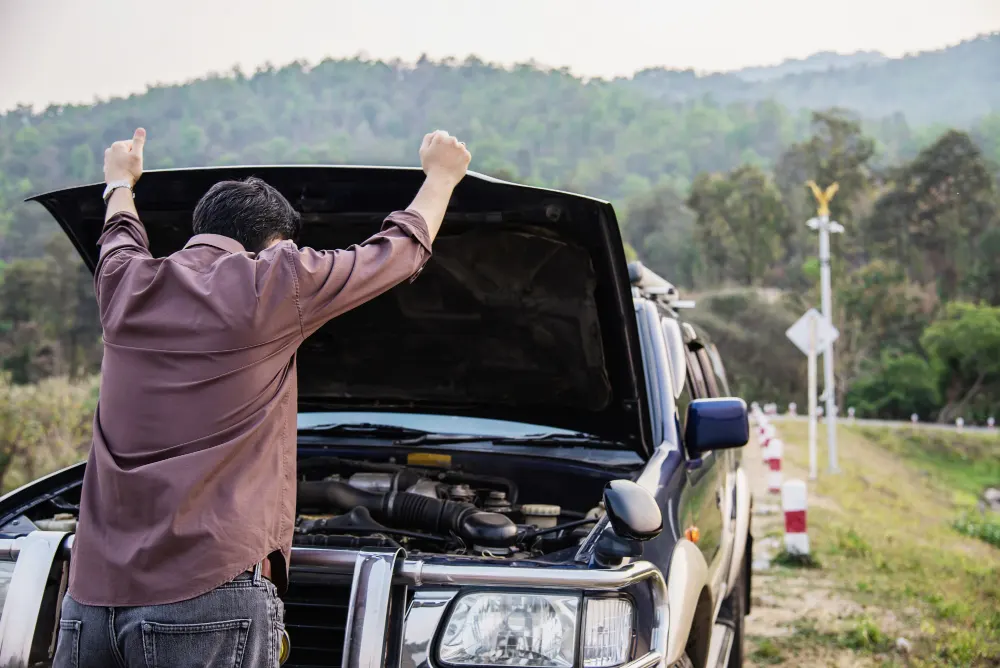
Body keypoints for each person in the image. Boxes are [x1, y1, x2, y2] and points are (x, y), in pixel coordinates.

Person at [53, 128, 471, 667]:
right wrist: (441, 176)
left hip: (89, 598)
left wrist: (119, 180)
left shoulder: (123, 281)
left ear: (201, 228)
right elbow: (396, 253)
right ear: (276, 243)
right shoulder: (275, 280)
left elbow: (119, 232)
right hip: (206, 590)